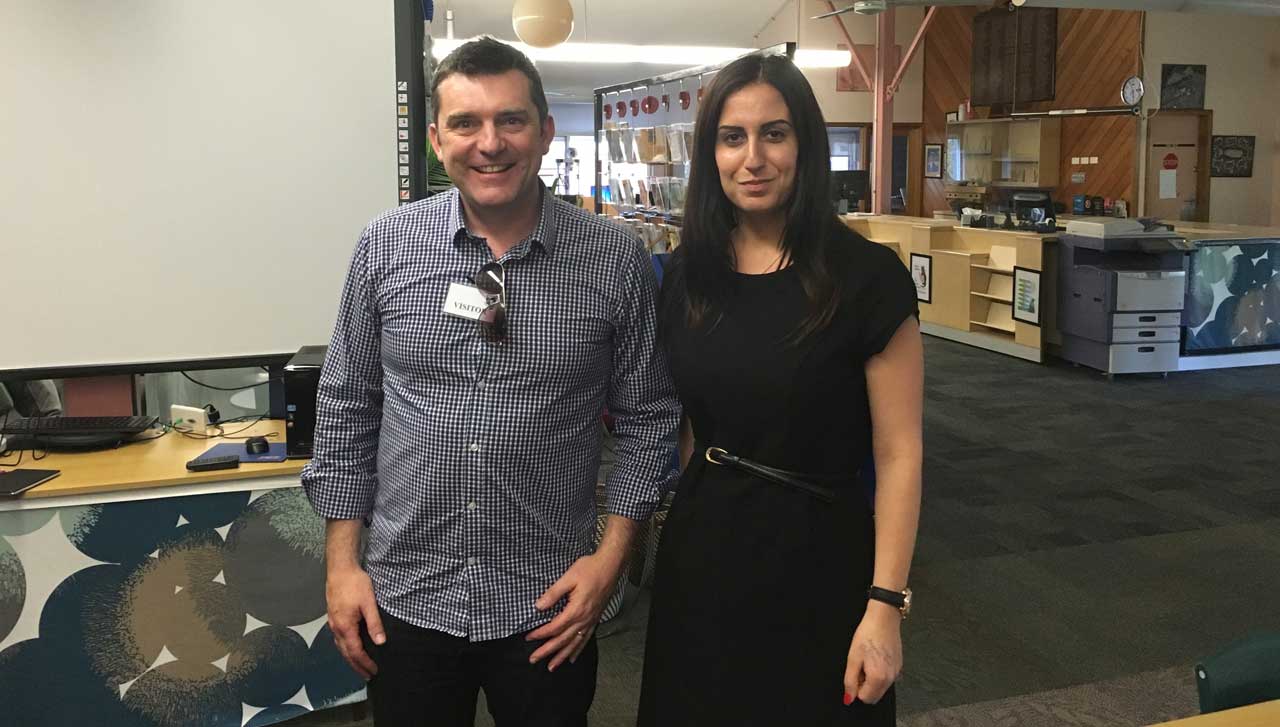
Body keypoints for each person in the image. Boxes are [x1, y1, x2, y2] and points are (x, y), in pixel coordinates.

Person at [301, 36, 679, 727]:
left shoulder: (614, 259)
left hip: (549, 601)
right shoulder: (385, 246)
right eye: (466, 123)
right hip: (405, 596)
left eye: (510, 120)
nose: (490, 143)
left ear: (544, 131)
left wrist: (612, 559)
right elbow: (348, 406)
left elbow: (649, 418)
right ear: (437, 140)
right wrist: (341, 566)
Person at [637, 52, 924, 726]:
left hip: (820, 552)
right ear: (711, 154)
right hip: (705, 551)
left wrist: (886, 603)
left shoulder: (867, 279)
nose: (753, 159)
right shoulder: (688, 275)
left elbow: (900, 453)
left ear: (806, 144)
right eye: (732, 138)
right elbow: (689, 424)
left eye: (774, 133)